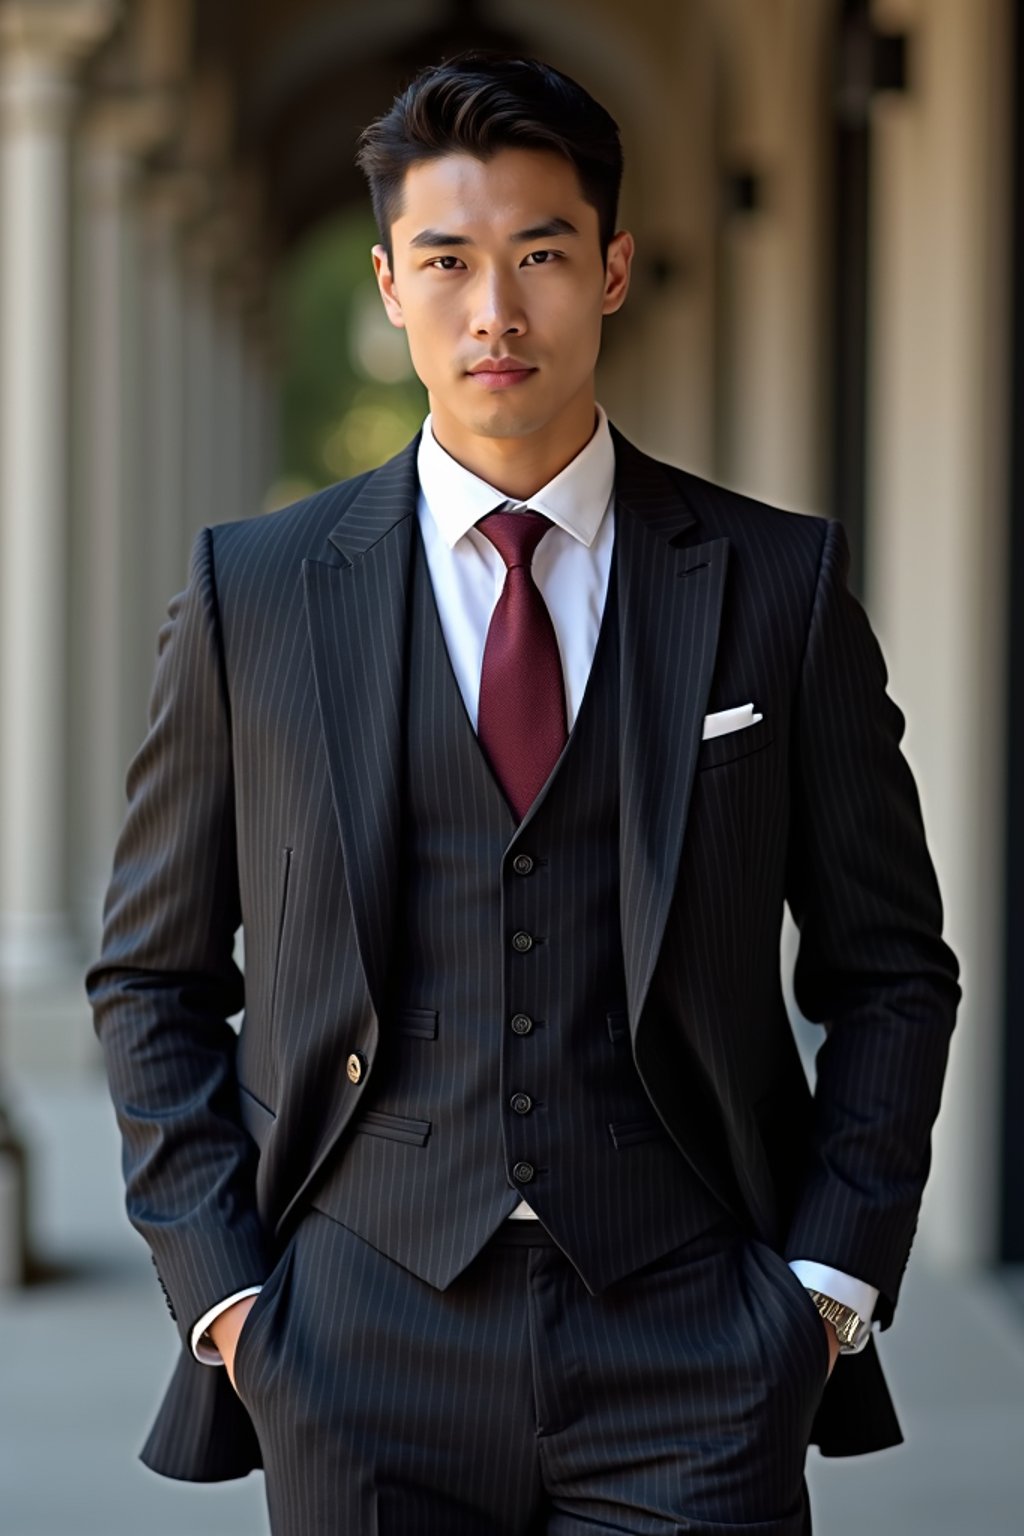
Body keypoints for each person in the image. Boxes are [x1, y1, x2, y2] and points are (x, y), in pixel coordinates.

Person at [86, 50, 960, 1536]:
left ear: (613, 270)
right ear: (386, 285)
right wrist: (231, 1300)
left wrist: (823, 1288)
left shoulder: (774, 585)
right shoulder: (261, 595)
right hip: (356, 1340)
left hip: (696, 1333)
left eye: (540, 255)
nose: (496, 309)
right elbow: (151, 974)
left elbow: (893, 970)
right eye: (448, 260)